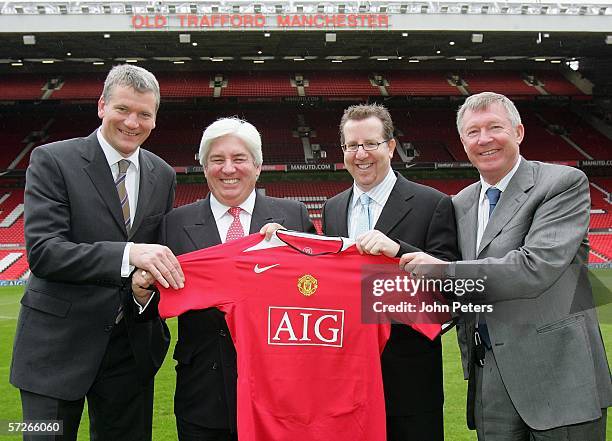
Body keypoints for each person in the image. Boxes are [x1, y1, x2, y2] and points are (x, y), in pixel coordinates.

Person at [400, 91, 612, 440]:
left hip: (559, 375)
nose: (484, 139)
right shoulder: (461, 202)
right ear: (462, 142)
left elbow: (535, 267)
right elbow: (457, 278)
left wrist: (442, 271)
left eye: (494, 127)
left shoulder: (561, 183)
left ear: (518, 132)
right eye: (472, 132)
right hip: (491, 379)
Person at [10, 64, 184, 441]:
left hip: (130, 350)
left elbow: (157, 257)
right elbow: (44, 252)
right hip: (55, 350)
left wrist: (142, 285)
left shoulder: (163, 174)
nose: (132, 122)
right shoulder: (52, 159)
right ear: (102, 105)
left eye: (144, 114)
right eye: (123, 109)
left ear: (155, 119)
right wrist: (129, 254)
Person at [132, 117, 316, 441]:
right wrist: (140, 291)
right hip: (203, 393)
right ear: (204, 168)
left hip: (279, 393)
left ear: (258, 166)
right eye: (217, 160)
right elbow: (152, 304)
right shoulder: (174, 224)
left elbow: (314, 294)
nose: (228, 169)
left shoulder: (294, 217)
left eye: (239, 159)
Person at [321, 103, 458, 441]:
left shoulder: (432, 204)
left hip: (408, 385)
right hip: (344, 382)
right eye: (352, 146)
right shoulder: (333, 208)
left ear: (391, 147)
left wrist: (399, 251)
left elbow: (450, 292)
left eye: (371, 144)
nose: (361, 154)